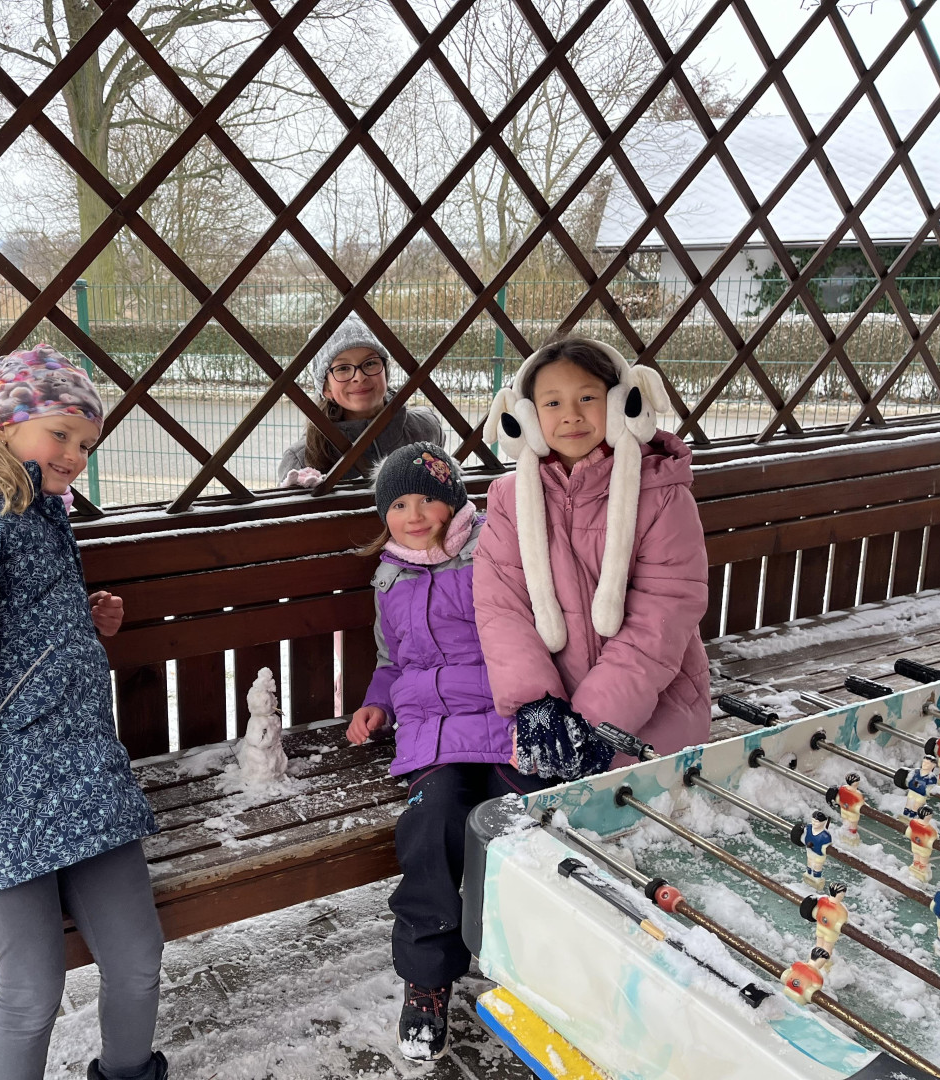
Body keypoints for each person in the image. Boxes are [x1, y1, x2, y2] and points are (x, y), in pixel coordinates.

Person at [0, 346, 167, 1080]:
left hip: (79, 768)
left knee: (137, 958)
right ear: (4, 421)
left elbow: (10, 622)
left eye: (86, 444)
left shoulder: (30, 496)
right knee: (32, 988)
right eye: (61, 434)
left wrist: (80, 619)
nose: (75, 455)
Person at [345, 442, 540, 1062]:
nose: (414, 514)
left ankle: (533, 967)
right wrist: (378, 703)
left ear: (453, 502)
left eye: (427, 499)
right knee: (432, 827)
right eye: (398, 504)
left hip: (504, 717)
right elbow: (391, 660)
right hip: (432, 734)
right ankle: (427, 978)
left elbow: (525, 633)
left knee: (525, 827)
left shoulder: (491, 555)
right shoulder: (389, 579)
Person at [474, 336, 710, 782]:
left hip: (652, 713)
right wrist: (536, 704)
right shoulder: (509, 498)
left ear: (621, 402)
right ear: (526, 418)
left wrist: (595, 722)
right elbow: (501, 609)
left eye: (587, 398)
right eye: (552, 403)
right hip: (551, 715)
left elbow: (662, 616)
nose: (571, 415)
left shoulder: (660, 493)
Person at [278, 313, 443, 488]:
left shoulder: (424, 428)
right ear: (326, 388)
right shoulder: (301, 459)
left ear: (385, 372)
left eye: (370, 363)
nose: (359, 377)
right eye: (343, 368)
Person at [832, 773, 865, 845]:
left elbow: (838, 799)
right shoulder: (858, 794)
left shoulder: (842, 789)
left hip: (844, 811)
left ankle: (843, 839)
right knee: (852, 829)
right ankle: (851, 843)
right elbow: (861, 805)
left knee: (845, 825)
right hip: (853, 814)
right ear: (855, 783)